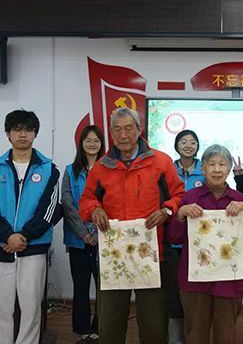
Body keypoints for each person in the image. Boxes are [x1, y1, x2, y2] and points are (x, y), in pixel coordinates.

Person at [79, 107, 184, 344]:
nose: (123, 135)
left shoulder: (160, 162)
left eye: (128, 128)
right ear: (111, 134)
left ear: (139, 130)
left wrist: (166, 211)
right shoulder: (101, 167)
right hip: (114, 256)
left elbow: (179, 194)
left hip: (152, 254)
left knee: (154, 324)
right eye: (117, 129)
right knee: (110, 324)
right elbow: (86, 200)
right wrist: (94, 209)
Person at [167, 144, 243, 344]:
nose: (217, 169)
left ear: (229, 169)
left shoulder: (240, 200)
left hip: (229, 282)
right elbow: (173, 238)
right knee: (195, 334)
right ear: (202, 169)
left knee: (226, 335)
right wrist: (180, 215)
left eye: (222, 164)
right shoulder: (190, 198)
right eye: (211, 164)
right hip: (195, 281)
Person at [0, 109, 60, 344]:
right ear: (8, 134)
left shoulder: (49, 169)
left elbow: (49, 210)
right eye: (17, 129)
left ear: (35, 133)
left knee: (31, 309)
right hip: (0, 247)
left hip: (33, 248)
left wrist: (22, 237)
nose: (23, 134)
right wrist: (7, 236)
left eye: (28, 129)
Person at [61, 125, 105, 344]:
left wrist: (96, 233)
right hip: (77, 239)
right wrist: (83, 233)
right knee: (80, 286)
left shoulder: (108, 169)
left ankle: (100, 327)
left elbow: (112, 203)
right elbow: (67, 204)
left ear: (101, 144)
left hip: (103, 238)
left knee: (103, 288)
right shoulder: (70, 171)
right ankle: (82, 329)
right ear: (81, 143)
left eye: (96, 140)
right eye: (88, 140)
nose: (92, 144)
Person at [168, 129, 205, 344]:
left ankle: (196, 337)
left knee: (197, 294)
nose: (188, 145)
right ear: (176, 146)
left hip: (199, 242)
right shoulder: (167, 169)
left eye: (193, 142)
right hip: (173, 241)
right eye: (184, 142)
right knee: (174, 293)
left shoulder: (206, 170)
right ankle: (175, 339)